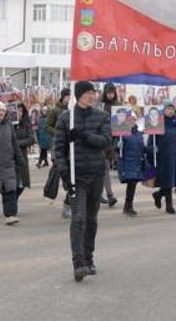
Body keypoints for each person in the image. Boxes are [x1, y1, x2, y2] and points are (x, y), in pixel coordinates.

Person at [54, 81, 111, 282]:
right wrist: (64, 175)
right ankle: (78, 263)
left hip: (96, 175)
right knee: (78, 218)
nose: (92, 96)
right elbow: (58, 151)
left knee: (91, 219)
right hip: (76, 176)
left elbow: (105, 142)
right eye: (87, 93)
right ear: (79, 95)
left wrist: (83, 136)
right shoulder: (65, 119)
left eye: (93, 93)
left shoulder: (102, 116)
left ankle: (89, 258)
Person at [147, 101, 176, 214]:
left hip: (175, 154)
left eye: (172, 108)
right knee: (167, 180)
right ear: (164, 110)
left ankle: (158, 194)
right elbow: (151, 139)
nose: (170, 111)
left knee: (172, 180)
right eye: (168, 109)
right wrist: (151, 150)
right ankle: (169, 204)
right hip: (162, 155)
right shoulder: (158, 120)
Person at [48, 87, 73, 219]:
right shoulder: (55, 111)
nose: (69, 98)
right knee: (65, 177)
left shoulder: (75, 112)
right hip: (59, 146)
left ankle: (68, 204)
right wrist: (58, 133)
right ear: (63, 97)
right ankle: (67, 203)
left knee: (72, 182)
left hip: (73, 149)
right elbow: (47, 126)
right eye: (67, 96)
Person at [116, 124, 147, 216]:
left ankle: (127, 206)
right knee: (132, 183)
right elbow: (115, 148)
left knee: (133, 184)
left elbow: (142, 149)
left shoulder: (138, 134)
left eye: (134, 119)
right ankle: (128, 206)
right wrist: (118, 146)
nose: (132, 121)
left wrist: (151, 149)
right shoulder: (122, 133)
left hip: (137, 162)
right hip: (127, 162)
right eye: (130, 119)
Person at [100, 82, 119, 207]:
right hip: (100, 140)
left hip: (111, 142)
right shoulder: (100, 106)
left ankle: (104, 194)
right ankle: (109, 195)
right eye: (108, 92)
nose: (110, 95)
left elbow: (123, 125)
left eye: (112, 93)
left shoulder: (118, 106)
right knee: (103, 169)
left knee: (105, 169)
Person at [13, 103, 34, 201]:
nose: (19, 113)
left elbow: (31, 139)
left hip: (22, 156)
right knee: (11, 183)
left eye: (21, 111)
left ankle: (13, 199)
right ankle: (11, 204)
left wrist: (17, 143)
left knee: (21, 184)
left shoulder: (26, 123)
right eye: (17, 110)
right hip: (10, 157)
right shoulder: (8, 124)